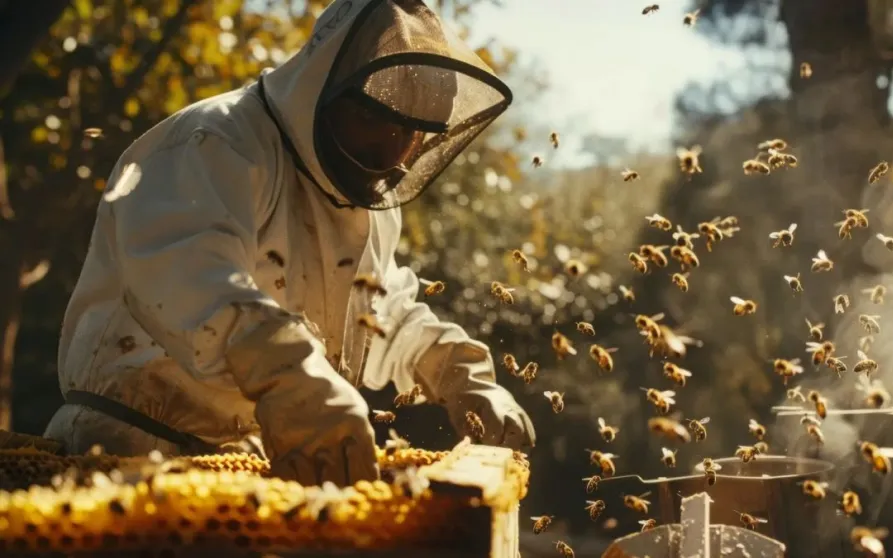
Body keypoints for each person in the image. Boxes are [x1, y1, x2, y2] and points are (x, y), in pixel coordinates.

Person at [44, 0, 535, 487]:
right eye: (373, 119)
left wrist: (456, 368)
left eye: (410, 130)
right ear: (326, 86)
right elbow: (190, 277)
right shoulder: (216, 141)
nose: (391, 148)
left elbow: (379, 312)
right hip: (128, 447)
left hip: (247, 465)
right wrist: (290, 374)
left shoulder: (368, 204)